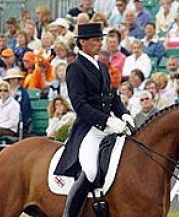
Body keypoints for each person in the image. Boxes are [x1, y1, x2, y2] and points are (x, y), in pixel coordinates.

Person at [54, 23, 133, 217]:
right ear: (83, 43)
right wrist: (107, 121)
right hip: (88, 129)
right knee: (89, 171)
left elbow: (112, 98)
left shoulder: (103, 67)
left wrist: (124, 114)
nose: (100, 43)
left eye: (100, 39)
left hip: (109, 126)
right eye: (96, 40)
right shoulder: (75, 68)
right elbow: (80, 105)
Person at [4, 68, 32, 134]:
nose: (13, 80)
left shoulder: (23, 92)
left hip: (19, 120)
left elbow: (26, 107)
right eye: (11, 79)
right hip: (6, 118)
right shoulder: (5, 91)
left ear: (18, 79)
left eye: (15, 78)